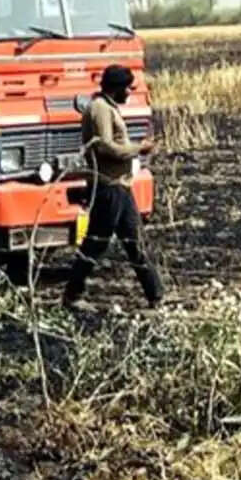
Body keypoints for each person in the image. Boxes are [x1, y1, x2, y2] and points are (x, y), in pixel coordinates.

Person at [63, 64, 163, 309]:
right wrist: (139, 148)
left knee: (135, 242)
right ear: (117, 88)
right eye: (128, 88)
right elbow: (104, 146)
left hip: (121, 186)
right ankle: (72, 296)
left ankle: (156, 296)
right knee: (96, 243)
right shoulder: (99, 109)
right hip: (109, 188)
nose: (130, 93)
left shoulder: (108, 107)